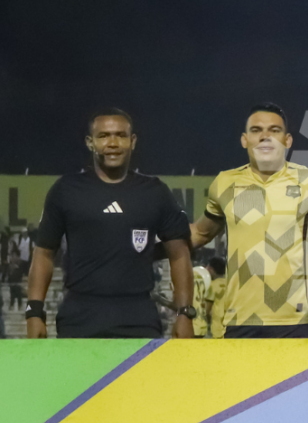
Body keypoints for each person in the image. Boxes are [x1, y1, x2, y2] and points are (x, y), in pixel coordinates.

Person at [26, 109, 194, 339]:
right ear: (90, 142)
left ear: (132, 141)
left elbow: (179, 254)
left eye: (120, 135)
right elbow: (44, 253)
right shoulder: (65, 190)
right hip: (79, 317)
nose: (113, 143)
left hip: (139, 318)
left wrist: (185, 314)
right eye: (104, 136)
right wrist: (34, 312)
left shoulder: (155, 192)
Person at [189, 103, 308, 338]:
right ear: (245, 140)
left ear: (287, 140)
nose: (265, 136)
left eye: (274, 130)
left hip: (293, 320)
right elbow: (200, 233)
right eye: (256, 130)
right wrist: (154, 241)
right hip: (239, 319)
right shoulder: (224, 183)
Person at [203, 258, 228, 338]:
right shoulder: (230, 284)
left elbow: (207, 310)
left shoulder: (212, 286)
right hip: (229, 327)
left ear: (211, 269)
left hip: (217, 327)